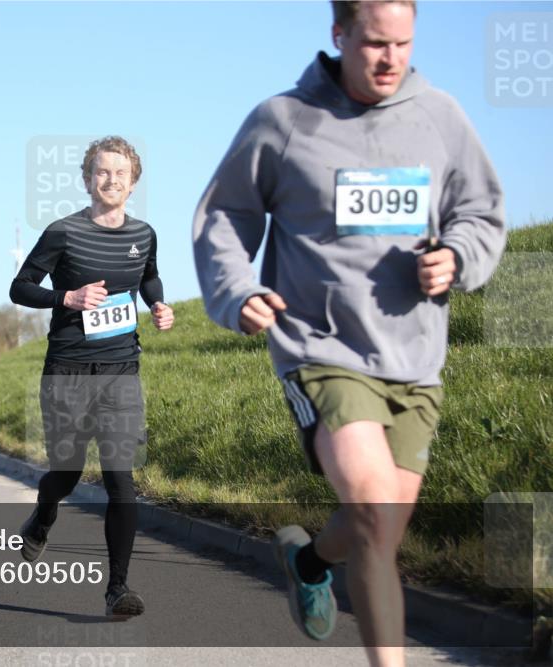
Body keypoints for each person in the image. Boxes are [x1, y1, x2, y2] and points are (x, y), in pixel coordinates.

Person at [191, 2, 505, 664]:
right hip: (321, 348)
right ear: (339, 34)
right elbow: (225, 215)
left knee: (378, 527)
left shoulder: (440, 117)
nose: (391, 58)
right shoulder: (283, 121)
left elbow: (479, 210)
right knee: (369, 511)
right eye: (374, 43)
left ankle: (309, 561)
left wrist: (458, 255)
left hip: (414, 358)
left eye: (403, 43)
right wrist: (237, 292)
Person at [10, 135, 174, 618]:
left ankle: (117, 589)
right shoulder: (63, 232)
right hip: (68, 370)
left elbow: (148, 276)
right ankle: (43, 516)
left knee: (121, 481)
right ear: (86, 179)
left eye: (121, 174)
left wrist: (158, 304)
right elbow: (20, 287)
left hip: (122, 368)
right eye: (102, 172)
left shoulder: (144, 234)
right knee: (66, 471)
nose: (112, 180)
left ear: (133, 182)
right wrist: (67, 298)